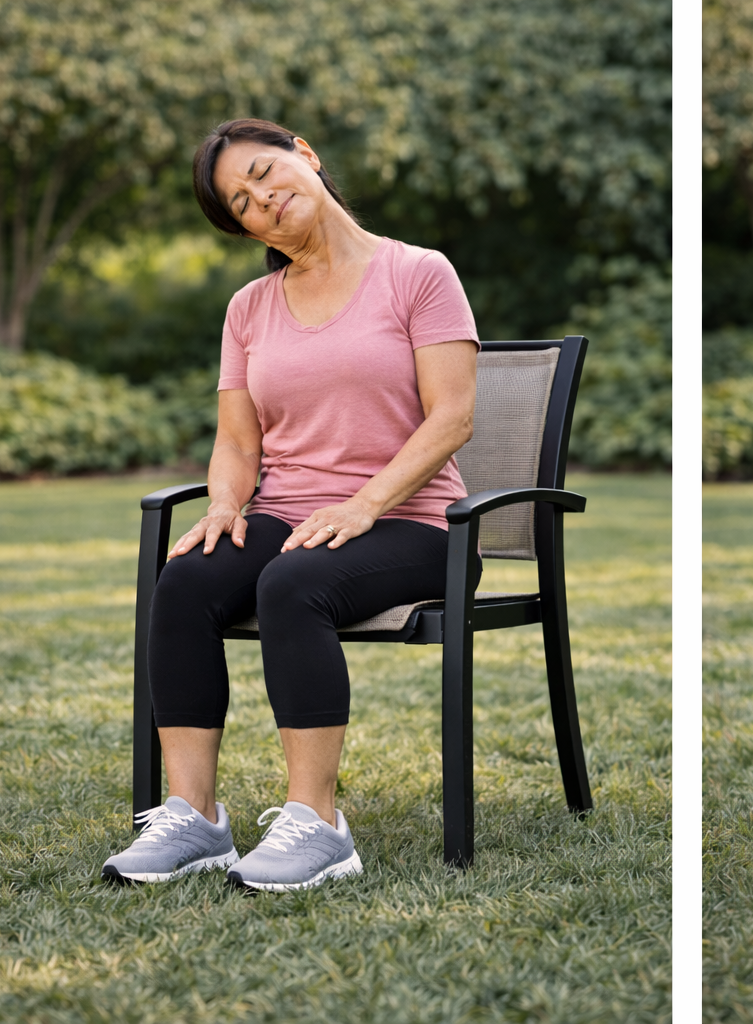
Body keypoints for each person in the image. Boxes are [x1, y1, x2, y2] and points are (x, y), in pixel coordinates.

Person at [102, 118, 480, 890]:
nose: (264, 199)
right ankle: (194, 817)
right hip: (291, 515)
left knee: (292, 580)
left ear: (305, 155)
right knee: (188, 579)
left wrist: (365, 504)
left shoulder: (418, 272)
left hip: (415, 524)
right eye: (241, 201)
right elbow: (238, 442)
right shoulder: (249, 308)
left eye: (266, 173)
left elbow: (452, 417)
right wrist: (222, 506)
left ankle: (318, 824)